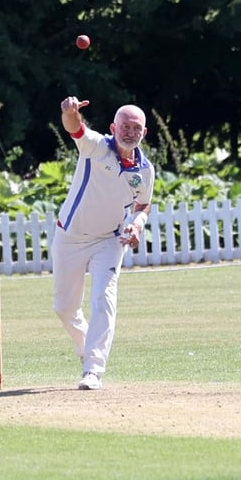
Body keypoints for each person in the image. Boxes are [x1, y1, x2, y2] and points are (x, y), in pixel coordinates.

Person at [52, 96, 155, 390]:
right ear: (114, 127)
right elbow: (76, 129)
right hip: (70, 236)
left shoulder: (144, 170)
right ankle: (87, 348)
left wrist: (136, 224)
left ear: (143, 133)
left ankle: (93, 369)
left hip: (109, 241)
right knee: (64, 308)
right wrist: (70, 113)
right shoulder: (96, 147)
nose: (130, 131)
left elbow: (143, 205)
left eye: (136, 127)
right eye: (125, 125)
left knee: (104, 299)